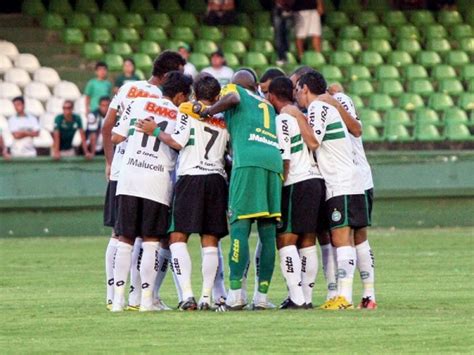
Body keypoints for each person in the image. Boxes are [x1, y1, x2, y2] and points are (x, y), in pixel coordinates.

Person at [101, 50, 186, 311]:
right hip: (157, 180)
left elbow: (113, 133)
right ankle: (145, 298)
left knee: (122, 236)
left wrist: (111, 160)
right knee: (150, 239)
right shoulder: (179, 112)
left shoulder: (132, 94)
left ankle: (115, 299)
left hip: (126, 173)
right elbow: (179, 143)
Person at [137, 74, 230, 311]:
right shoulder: (223, 118)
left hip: (192, 178)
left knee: (178, 237)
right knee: (210, 240)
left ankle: (187, 295)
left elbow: (177, 142)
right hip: (217, 179)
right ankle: (207, 297)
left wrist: (155, 131)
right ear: (217, 97)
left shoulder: (187, 112)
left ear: (194, 95)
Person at [198, 70, 283, 311]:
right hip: (272, 163)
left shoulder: (235, 91)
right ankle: (262, 297)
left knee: (240, 228)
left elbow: (232, 99)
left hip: (248, 164)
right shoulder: (266, 104)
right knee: (267, 234)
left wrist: (207, 111)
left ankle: (236, 294)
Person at [294, 71, 368, 310]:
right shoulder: (327, 107)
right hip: (351, 180)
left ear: (305, 88)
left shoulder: (317, 108)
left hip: (340, 182)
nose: (296, 95)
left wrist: (295, 116)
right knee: (345, 239)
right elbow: (355, 130)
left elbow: (314, 141)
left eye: (297, 90)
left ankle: (344, 297)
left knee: (341, 238)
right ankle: (347, 296)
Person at [268, 77, 326, 309]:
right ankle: (307, 298)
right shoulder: (301, 115)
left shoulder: (282, 118)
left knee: (285, 239)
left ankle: (296, 297)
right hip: (315, 180)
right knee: (307, 240)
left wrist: (278, 185)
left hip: (296, 182)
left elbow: (284, 157)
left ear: (271, 96)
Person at [327, 83, 377, 309]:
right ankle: (367, 296)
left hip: (352, 177)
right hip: (361, 176)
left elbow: (356, 129)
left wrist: (334, 98)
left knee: (348, 237)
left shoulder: (337, 100)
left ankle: (347, 295)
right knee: (358, 238)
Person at [273, 0, 294, 65]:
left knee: (287, 36)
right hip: (278, 11)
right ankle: (281, 57)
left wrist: (287, 6)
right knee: (279, 36)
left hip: (289, 10)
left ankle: (286, 57)